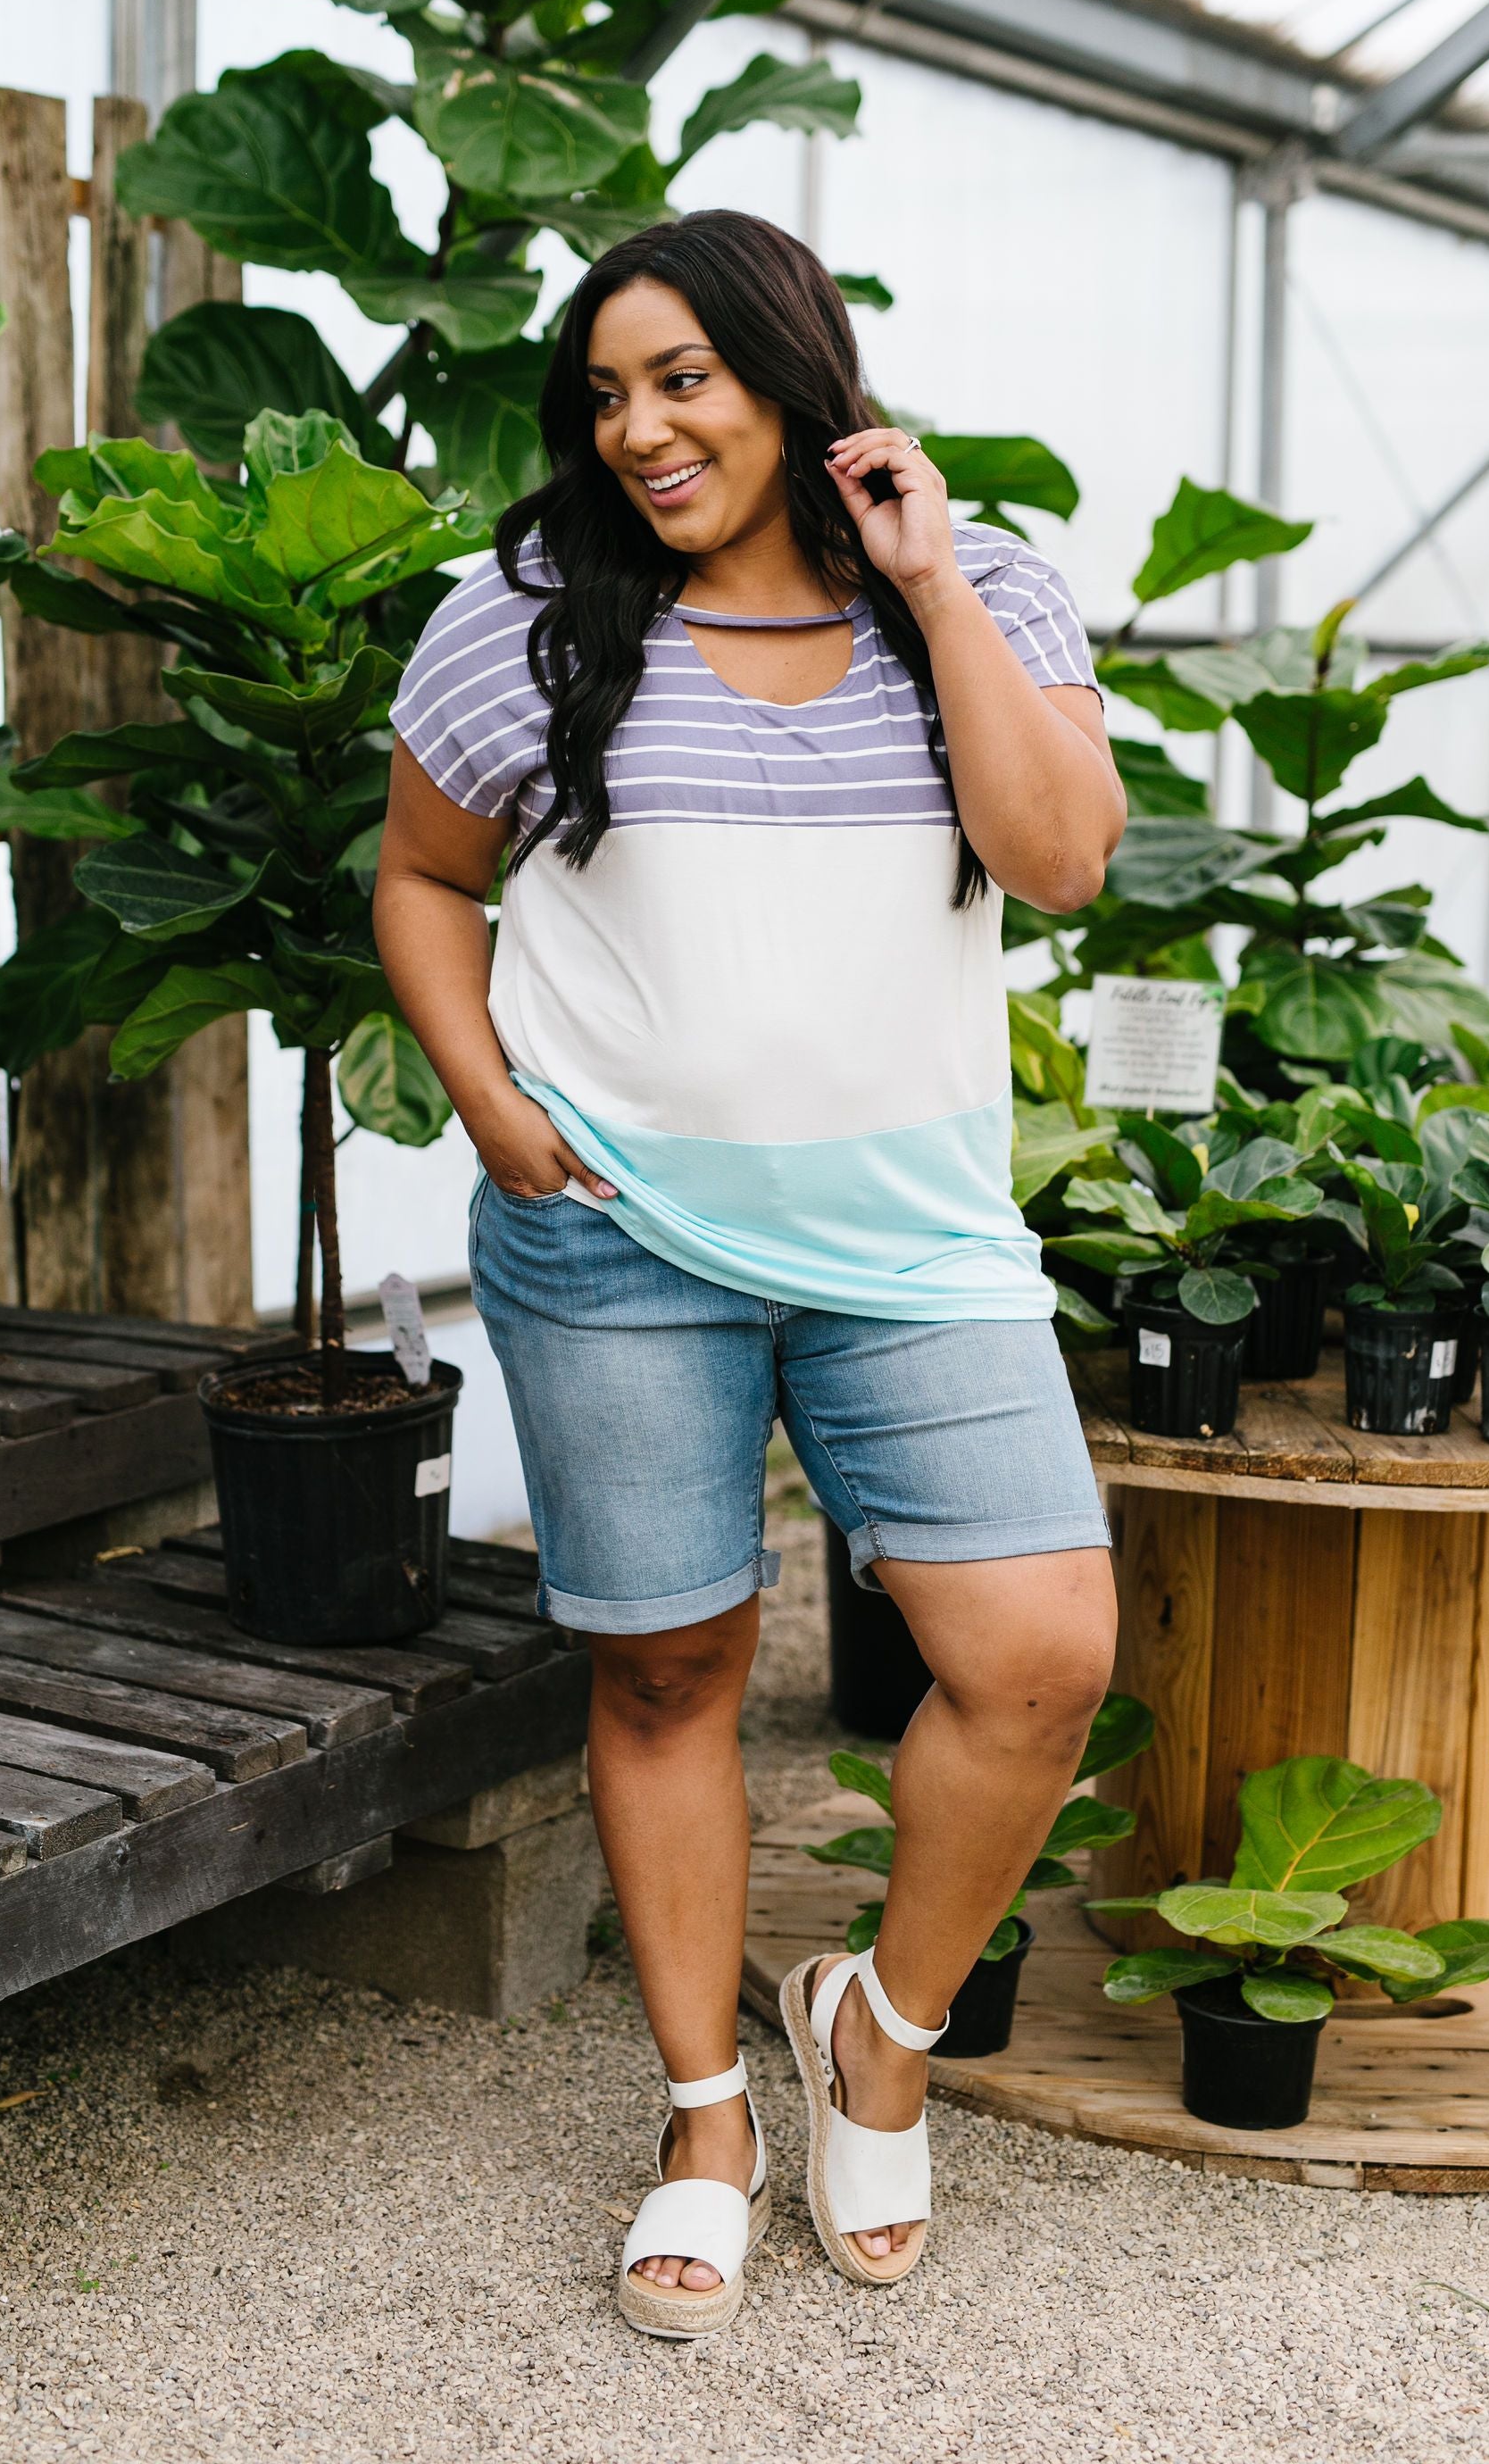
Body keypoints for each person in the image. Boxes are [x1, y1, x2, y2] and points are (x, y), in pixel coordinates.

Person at [374, 208, 1123, 2339]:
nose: (638, 429)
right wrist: (487, 1100)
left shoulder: (975, 599)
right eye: (605, 393)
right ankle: (706, 2114)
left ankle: (874, 2032)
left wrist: (927, 579)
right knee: (666, 1672)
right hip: (619, 1242)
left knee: (1039, 1653)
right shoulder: (522, 621)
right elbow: (424, 882)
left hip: (917, 1251)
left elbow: (1060, 859)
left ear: (793, 376)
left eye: (682, 379)